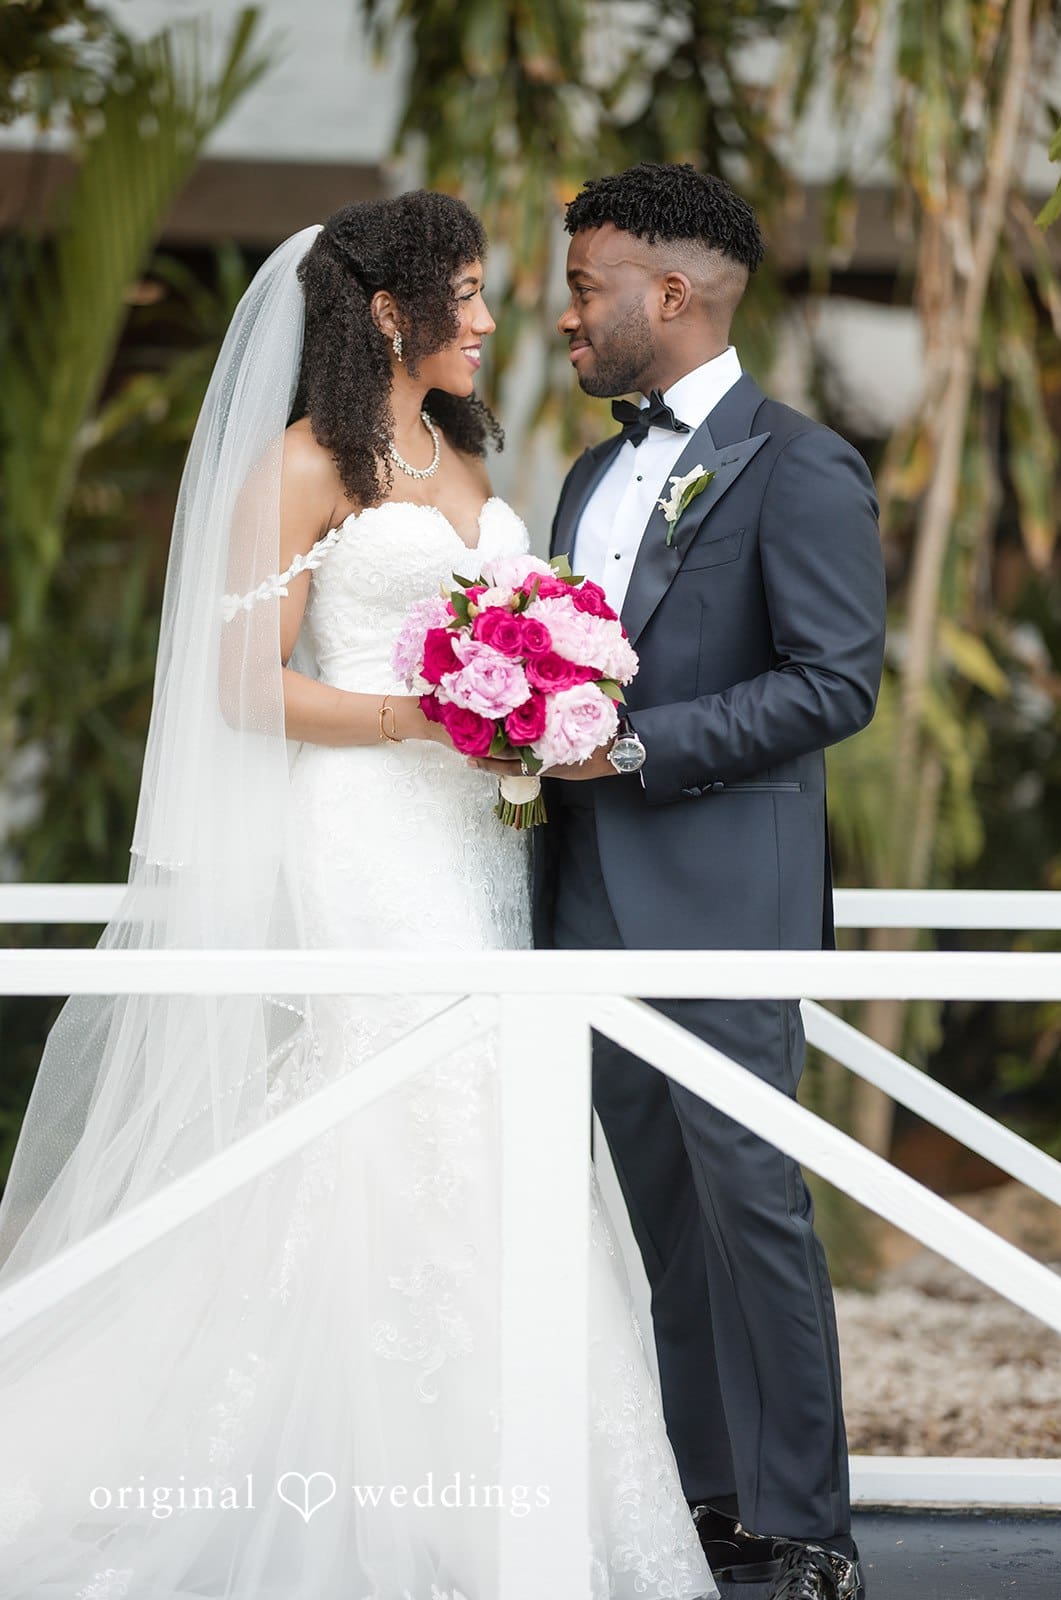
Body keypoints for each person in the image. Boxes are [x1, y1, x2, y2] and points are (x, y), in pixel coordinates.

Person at [0, 195, 716, 1599]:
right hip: (366, 836)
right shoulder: (303, 467)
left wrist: (548, 690)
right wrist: (420, 720)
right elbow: (237, 683)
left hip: (475, 842)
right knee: (388, 1113)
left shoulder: (455, 450)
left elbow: (501, 636)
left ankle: (489, 1492)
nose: (498, 318)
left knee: (496, 1125)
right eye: (470, 292)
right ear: (390, 313)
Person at [519, 162, 885, 1600]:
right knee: (647, 1212)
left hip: (724, 891)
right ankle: (701, 1501)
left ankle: (806, 1528)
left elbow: (835, 683)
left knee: (754, 1210)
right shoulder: (589, 472)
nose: (565, 317)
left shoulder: (798, 463)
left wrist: (636, 745)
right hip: (582, 895)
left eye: (583, 286)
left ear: (669, 295)